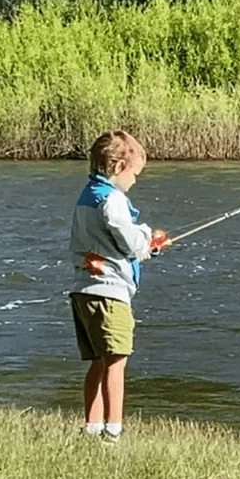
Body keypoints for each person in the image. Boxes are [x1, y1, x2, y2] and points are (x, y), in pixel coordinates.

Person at [69, 130, 168, 442]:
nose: (135, 181)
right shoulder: (113, 199)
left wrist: (144, 246)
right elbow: (124, 237)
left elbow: (104, 238)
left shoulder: (87, 195)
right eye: (134, 174)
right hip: (109, 293)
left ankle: (92, 427)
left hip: (84, 291)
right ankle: (113, 431)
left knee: (99, 361)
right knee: (116, 360)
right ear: (120, 167)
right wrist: (147, 240)